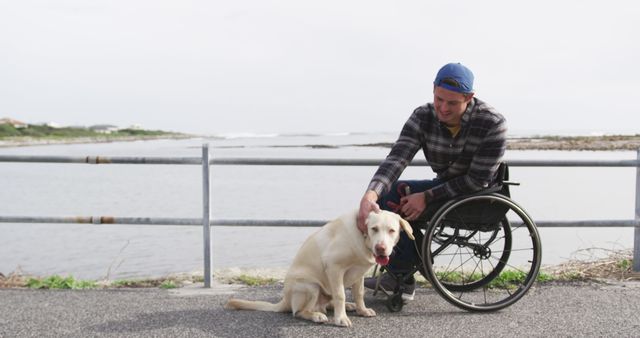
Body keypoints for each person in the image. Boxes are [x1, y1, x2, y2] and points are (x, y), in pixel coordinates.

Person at [357, 62, 507, 300]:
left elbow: (477, 180)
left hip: (479, 194)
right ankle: (404, 275)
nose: (443, 108)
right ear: (433, 89)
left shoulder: (492, 123)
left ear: (469, 97)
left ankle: (402, 270)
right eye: (439, 99)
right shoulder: (423, 116)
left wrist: (426, 196)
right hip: (445, 185)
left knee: (410, 200)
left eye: (452, 103)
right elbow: (397, 158)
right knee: (389, 196)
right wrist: (370, 195)